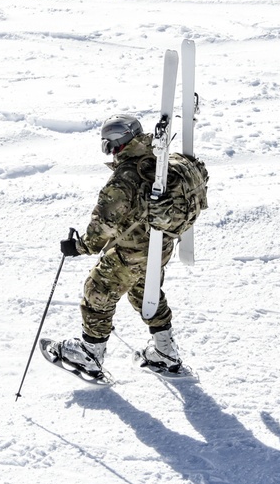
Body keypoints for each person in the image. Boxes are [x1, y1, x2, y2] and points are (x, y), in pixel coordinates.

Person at [44, 113, 184, 379]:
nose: (108, 151)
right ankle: (165, 351)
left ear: (118, 143)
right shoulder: (155, 159)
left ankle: (89, 354)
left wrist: (80, 246)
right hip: (159, 244)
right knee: (146, 291)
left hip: (132, 250)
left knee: (98, 290)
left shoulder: (125, 177)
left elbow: (104, 223)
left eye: (108, 144)